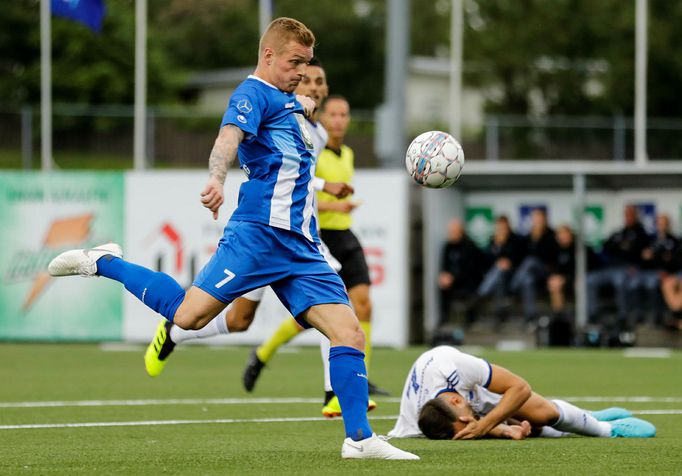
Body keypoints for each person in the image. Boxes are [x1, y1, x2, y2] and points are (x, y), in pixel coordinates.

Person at [48, 17, 417, 460]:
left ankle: (358, 439)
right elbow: (227, 140)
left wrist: (302, 106)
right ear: (268, 55)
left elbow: (294, 151)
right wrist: (217, 178)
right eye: (295, 62)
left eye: (307, 64)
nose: (302, 72)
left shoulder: (288, 101)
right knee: (188, 317)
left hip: (301, 246)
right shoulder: (250, 94)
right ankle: (104, 261)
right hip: (257, 237)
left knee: (349, 332)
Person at [139, 58, 376, 416]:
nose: (310, 85)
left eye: (318, 81)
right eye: (305, 78)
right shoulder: (275, 112)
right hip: (265, 234)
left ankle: (332, 394)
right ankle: (175, 331)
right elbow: (278, 171)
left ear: (324, 91)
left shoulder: (320, 133)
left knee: (334, 306)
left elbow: (298, 177)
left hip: (299, 239)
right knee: (238, 321)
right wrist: (327, 187)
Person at [245, 94, 390, 418]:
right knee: (315, 316)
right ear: (323, 118)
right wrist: (333, 204)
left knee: (363, 303)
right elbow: (301, 191)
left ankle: (360, 374)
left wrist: (342, 209)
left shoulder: (349, 154)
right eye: (334, 114)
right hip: (315, 235)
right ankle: (263, 353)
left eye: (345, 114)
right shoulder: (315, 149)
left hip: (345, 235)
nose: (339, 120)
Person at [388, 346, 656, 440]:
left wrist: (486, 426)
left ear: (457, 400)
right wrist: (504, 430)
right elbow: (466, 425)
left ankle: (606, 428)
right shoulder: (424, 419)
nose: (470, 425)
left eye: (467, 423)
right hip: (461, 398)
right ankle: (581, 417)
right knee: (529, 428)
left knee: (545, 413)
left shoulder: (455, 366)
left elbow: (520, 387)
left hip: (471, 385)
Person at [586, 205, 649, 337]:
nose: (628, 217)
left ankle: (623, 316)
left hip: (627, 269)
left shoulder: (642, 234)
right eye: (626, 214)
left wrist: (635, 263)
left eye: (631, 214)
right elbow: (605, 248)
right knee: (590, 279)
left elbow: (643, 254)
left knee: (619, 281)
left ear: (636, 216)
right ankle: (592, 315)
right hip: (610, 268)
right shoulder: (618, 233)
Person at [509, 208, 558, 327]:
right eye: (535, 219)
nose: (538, 222)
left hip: (546, 272)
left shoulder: (551, 236)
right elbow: (519, 256)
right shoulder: (528, 237)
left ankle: (512, 287)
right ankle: (529, 317)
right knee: (527, 280)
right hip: (531, 274)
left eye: (540, 219)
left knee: (530, 261)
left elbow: (551, 256)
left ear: (545, 220)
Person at [477, 215, 525, 326]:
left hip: (513, 276)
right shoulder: (493, 241)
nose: (501, 229)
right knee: (498, 274)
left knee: (500, 271)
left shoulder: (515, 240)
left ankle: (481, 293)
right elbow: (486, 260)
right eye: (499, 227)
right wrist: (498, 246)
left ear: (508, 226)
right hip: (497, 276)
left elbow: (519, 258)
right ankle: (498, 313)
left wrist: (508, 262)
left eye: (503, 226)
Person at [437, 218, 485, 327]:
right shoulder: (447, 246)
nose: (451, 233)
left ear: (460, 231)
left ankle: (470, 320)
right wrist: (445, 276)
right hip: (453, 281)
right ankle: (444, 318)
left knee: (470, 287)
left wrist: (453, 277)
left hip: (468, 280)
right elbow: (444, 266)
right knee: (442, 285)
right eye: (450, 231)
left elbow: (471, 269)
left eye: (454, 231)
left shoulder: (469, 245)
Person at [633, 214, 677, 326]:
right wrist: (655, 256)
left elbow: (671, 260)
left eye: (664, 223)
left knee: (652, 284)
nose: (661, 225)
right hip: (646, 271)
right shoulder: (650, 239)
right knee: (634, 283)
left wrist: (655, 256)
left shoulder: (672, 240)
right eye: (659, 223)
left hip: (663, 272)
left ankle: (657, 316)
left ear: (668, 225)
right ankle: (639, 315)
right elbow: (644, 257)